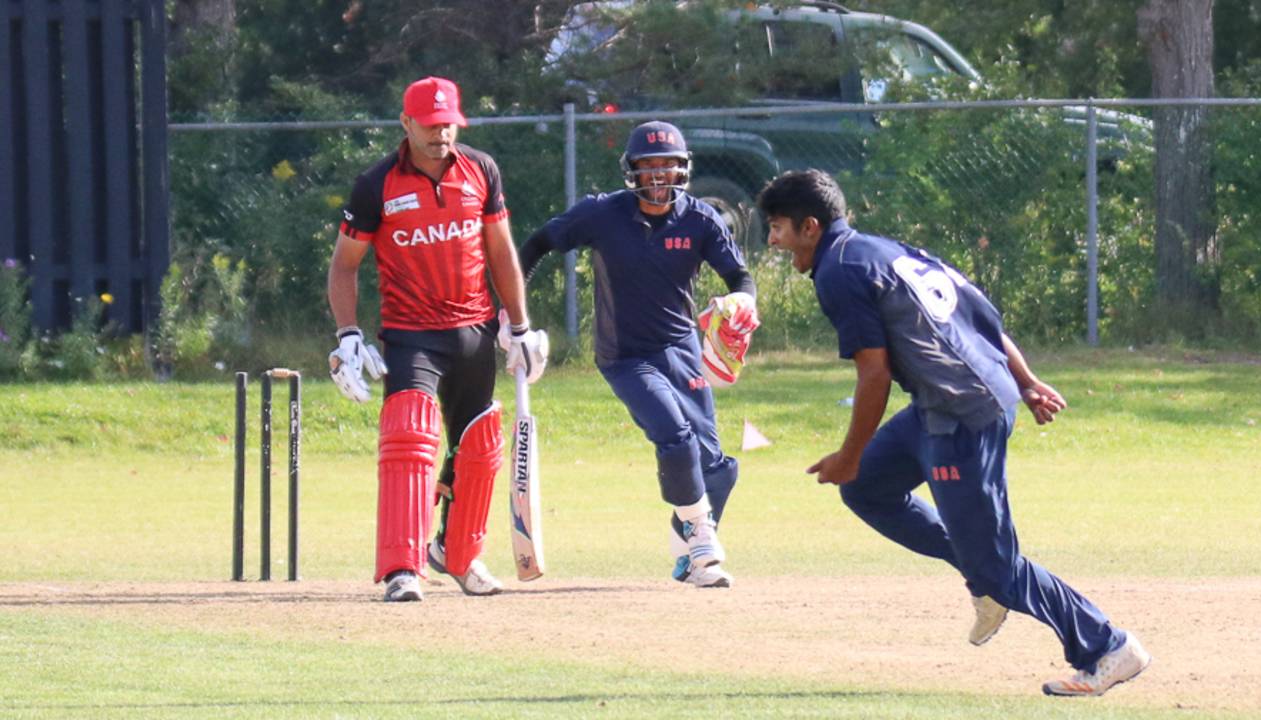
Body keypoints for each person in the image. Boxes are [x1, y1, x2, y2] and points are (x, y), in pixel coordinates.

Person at [757, 168, 1151, 696]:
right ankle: (979, 573)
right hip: (942, 406)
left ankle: (1107, 645)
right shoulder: (880, 249)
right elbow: (978, 315)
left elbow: (873, 375)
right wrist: (1027, 382)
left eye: (777, 226)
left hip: (964, 415)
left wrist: (849, 452)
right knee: (868, 488)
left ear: (809, 226)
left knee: (998, 566)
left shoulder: (838, 271)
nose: (772, 240)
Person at [327, 76, 548, 603]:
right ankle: (402, 567)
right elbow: (344, 264)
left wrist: (519, 326)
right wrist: (349, 334)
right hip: (411, 334)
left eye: (448, 124)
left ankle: (461, 555)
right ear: (406, 124)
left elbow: (500, 251)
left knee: (479, 444)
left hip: (472, 330)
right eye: (429, 126)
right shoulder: (377, 184)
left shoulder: (481, 170)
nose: (440, 135)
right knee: (410, 435)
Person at [518, 121, 759, 588]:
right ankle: (701, 537)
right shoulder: (603, 214)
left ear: (683, 169)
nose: (658, 176)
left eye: (668, 166)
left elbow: (739, 277)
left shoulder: (701, 219)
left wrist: (743, 301)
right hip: (625, 356)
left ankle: (686, 539)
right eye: (649, 167)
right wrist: (514, 316)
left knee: (717, 469)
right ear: (631, 171)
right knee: (676, 436)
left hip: (681, 350)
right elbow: (535, 245)